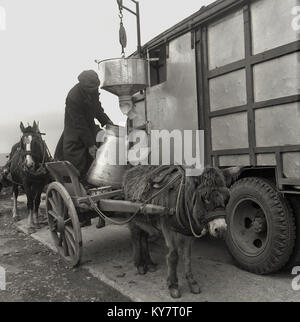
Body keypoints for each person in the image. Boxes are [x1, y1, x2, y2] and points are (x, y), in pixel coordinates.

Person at [55, 70, 113, 179]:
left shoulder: (93, 90)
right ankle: (85, 181)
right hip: (75, 131)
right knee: (78, 160)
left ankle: (105, 174)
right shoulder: (73, 96)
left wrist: (108, 123)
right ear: (83, 86)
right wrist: (90, 145)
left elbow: (98, 110)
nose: (93, 91)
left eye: (95, 88)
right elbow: (80, 124)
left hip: (90, 127)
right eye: (90, 89)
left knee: (107, 139)